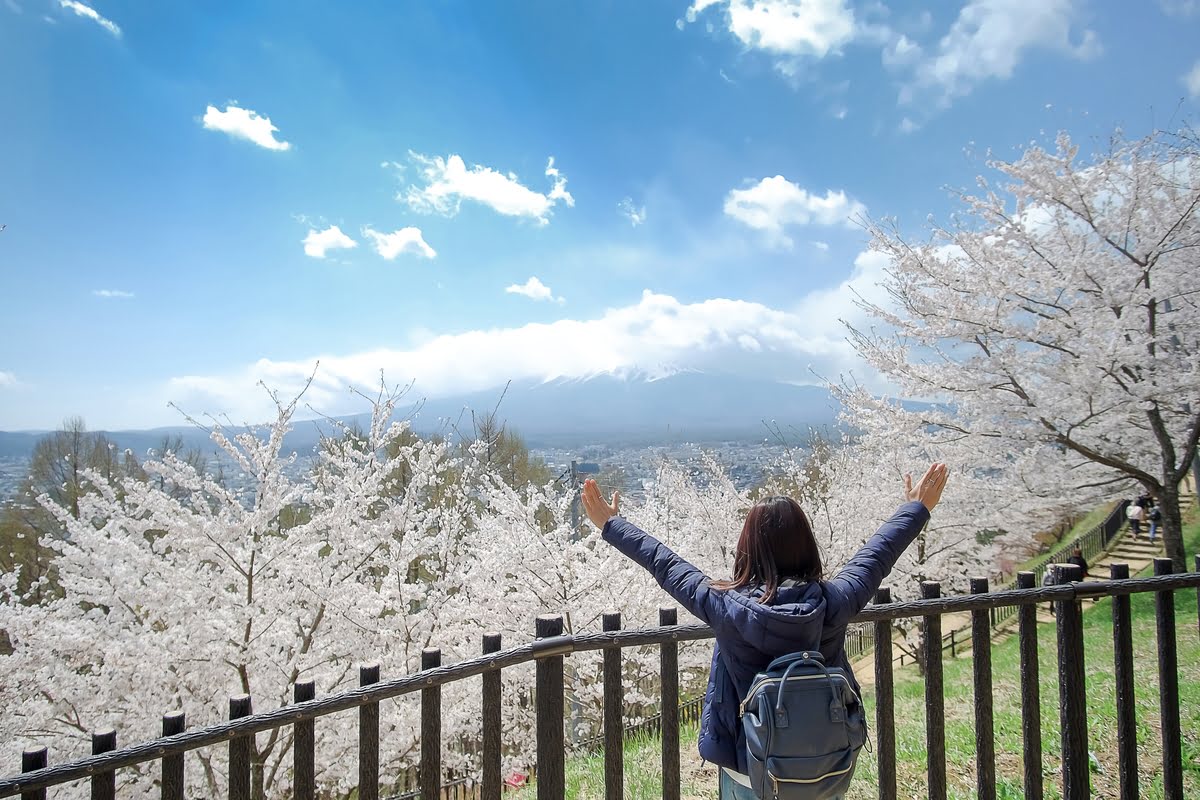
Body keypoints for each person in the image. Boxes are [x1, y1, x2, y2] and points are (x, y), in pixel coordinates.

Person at [581, 463, 950, 800]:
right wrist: (915, 509)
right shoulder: (835, 600)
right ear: (806, 545)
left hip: (748, 766)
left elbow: (666, 565)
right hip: (825, 762)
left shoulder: (727, 607)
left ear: (748, 547)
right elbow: (876, 555)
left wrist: (613, 525)